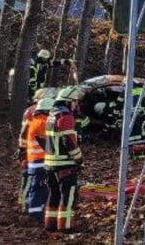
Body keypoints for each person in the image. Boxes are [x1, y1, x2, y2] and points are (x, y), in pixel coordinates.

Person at [44, 86, 84, 233]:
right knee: (68, 196)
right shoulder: (65, 117)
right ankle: (65, 226)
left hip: (49, 164)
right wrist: (79, 159)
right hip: (64, 164)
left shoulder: (51, 115)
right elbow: (69, 141)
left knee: (53, 195)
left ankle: (50, 224)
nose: (76, 105)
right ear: (68, 102)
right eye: (75, 102)